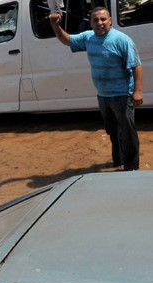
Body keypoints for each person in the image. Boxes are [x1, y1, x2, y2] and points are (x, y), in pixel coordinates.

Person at [49, 8, 143, 171]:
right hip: (103, 96)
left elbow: (136, 66)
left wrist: (137, 91)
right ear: (91, 22)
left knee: (128, 133)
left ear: (110, 20)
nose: (100, 23)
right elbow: (67, 40)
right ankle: (118, 161)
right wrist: (55, 25)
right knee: (113, 131)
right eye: (96, 20)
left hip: (122, 95)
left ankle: (132, 168)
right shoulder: (88, 37)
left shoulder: (122, 40)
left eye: (103, 19)